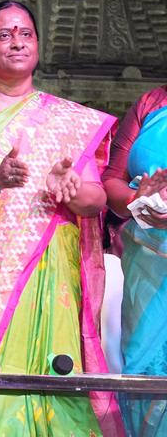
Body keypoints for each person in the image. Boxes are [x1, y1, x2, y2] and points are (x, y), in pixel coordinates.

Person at [0, 1, 121, 436]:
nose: (16, 42)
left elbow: (96, 198)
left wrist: (69, 187)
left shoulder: (67, 119)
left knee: (58, 377)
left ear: (37, 43)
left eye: (25, 33)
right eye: (3, 34)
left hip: (50, 273)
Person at [104, 83, 167, 436]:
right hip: (148, 260)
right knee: (146, 365)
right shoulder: (151, 103)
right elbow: (112, 180)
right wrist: (136, 198)